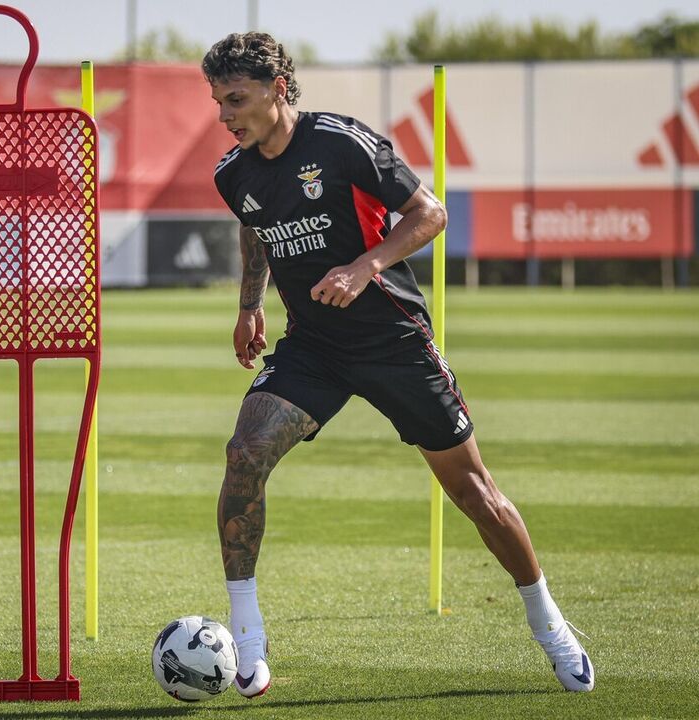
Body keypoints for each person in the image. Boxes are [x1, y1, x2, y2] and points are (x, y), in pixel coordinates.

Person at [202, 32, 594, 699]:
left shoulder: (340, 143)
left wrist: (364, 266)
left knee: (475, 493)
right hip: (314, 349)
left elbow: (430, 213)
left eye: (235, 98)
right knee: (245, 452)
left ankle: (549, 624)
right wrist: (249, 305)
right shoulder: (232, 173)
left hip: (394, 341)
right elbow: (254, 222)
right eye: (217, 100)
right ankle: (248, 639)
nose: (224, 114)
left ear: (276, 89)